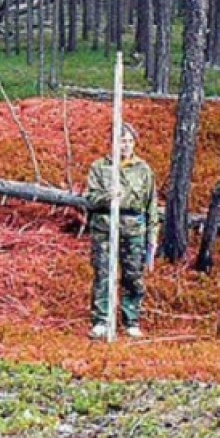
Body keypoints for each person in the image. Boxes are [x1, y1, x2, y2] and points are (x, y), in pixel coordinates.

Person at [84, 122, 160, 339]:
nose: (125, 145)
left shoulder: (144, 170)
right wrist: (109, 196)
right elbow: (90, 199)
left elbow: (151, 206)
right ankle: (101, 320)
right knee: (103, 274)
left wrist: (152, 236)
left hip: (134, 230)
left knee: (133, 276)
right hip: (105, 229)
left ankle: (131, 319)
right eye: (121, 140)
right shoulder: (100, 167)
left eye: (129, 141)